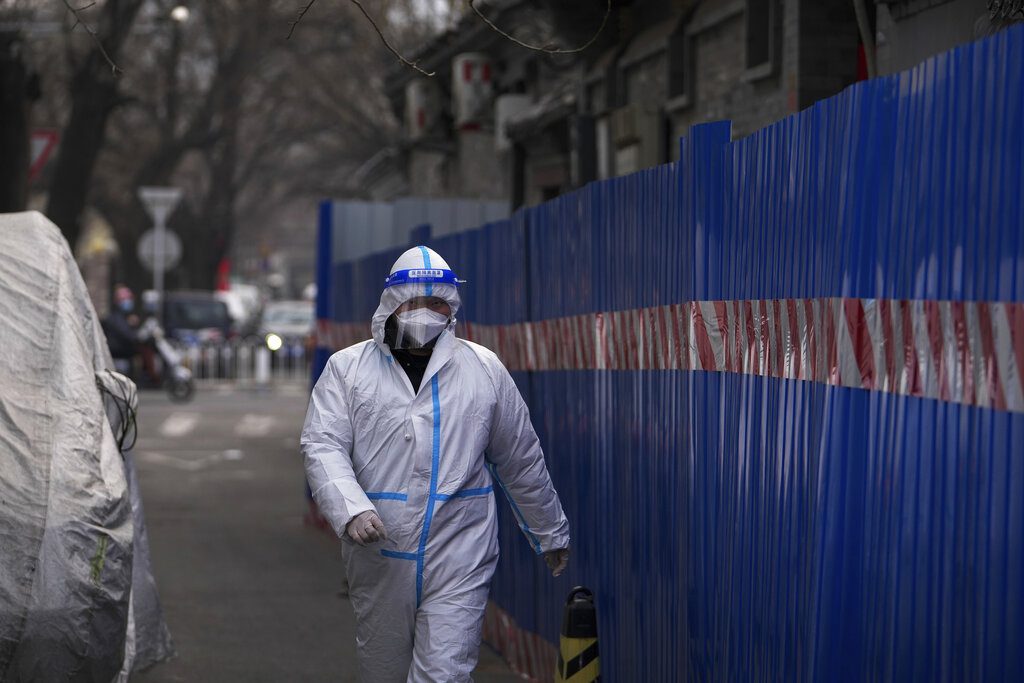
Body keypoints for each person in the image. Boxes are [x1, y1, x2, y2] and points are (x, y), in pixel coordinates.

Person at [301, 246, 570, 682]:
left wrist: (549, 529)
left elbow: (519, 456)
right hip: (379, 551)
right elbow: (322, 445)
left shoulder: (483, 369)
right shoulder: (348, 370)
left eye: (438, 302)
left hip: (460, 550)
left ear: (453, 307)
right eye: (415, 302)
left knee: (444, 674)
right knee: (384, 670)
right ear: (391, 304)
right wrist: (352, 509)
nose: (427, 313)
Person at [101, 284, 140, 375]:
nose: (128, 302)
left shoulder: (125, 318)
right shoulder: (116, 318)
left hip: (124, 359)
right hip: (119, 360)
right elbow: (128, 336)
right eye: (125, 300)